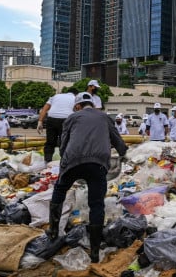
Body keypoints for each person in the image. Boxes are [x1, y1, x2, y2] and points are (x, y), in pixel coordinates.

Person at [46, 92, 128, 263]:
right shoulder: (104, 117)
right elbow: (118, 142)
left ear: (77, 106)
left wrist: (64, 163)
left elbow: (63, 144)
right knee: (96, 203)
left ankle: (53, 231)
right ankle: (95, 251)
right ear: (92, 104)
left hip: (72, 161)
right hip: (98, 164)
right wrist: (123, 154)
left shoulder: (72, 118)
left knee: (60, 189)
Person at [37, 88, 79, 163]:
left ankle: (47, 161)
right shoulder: (76, 98)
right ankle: (65, 162)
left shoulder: (56, 96)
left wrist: (40, 122)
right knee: (65, 142)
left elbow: (44, 109)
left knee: (50, 141)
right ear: (76, 94)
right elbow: (78, 110)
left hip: (51, 119)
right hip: (66, 120)